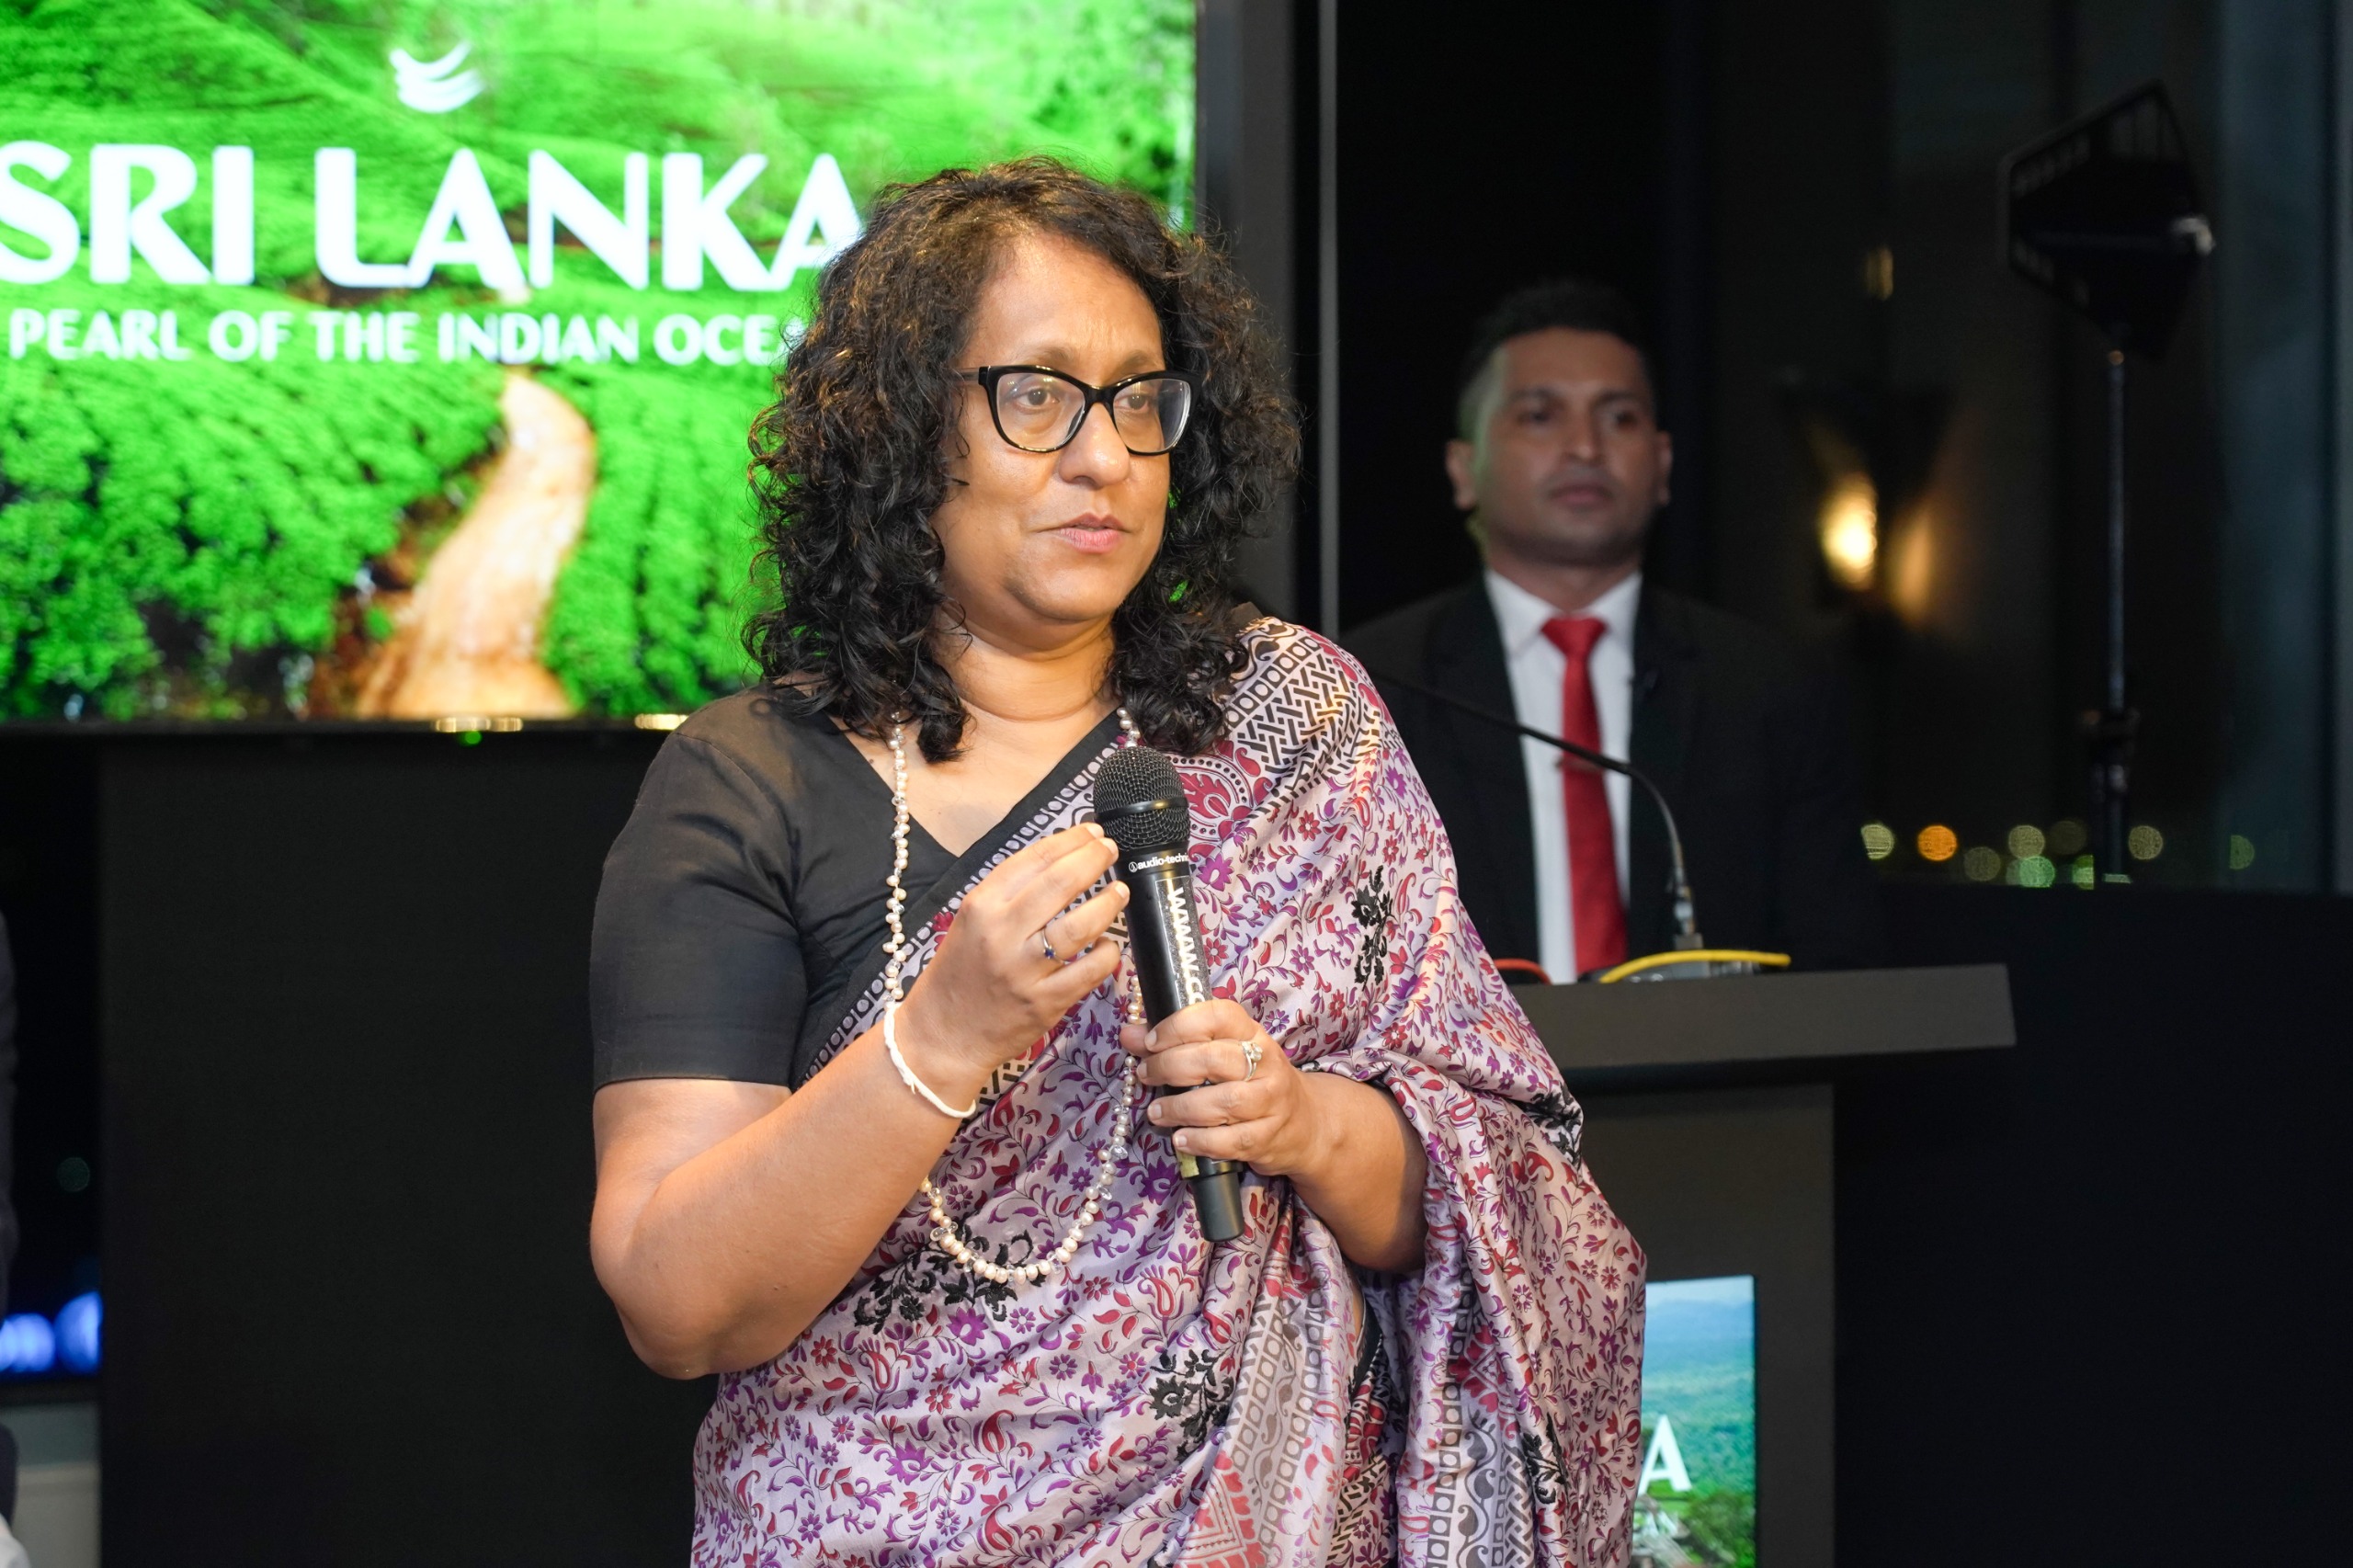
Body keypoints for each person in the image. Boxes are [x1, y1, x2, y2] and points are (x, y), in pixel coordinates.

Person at [587, 163, 1645, 1565]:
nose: (1104, 457)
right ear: (901, 425)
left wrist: (1302, 1121)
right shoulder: (749, 782)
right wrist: (942, 1037)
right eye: (1037, 397)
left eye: (1140, 401)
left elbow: (1502, 1195)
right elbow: (678, 1304)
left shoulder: (1290, 726)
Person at [1345, 280, 1884, 981]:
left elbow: (1837, 970)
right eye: (1540, 416)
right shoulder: (1370, 688)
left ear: (1663, 466)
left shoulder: (1770, 691)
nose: (1585, 447)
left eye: (1620, 417)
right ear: (1462, 469)